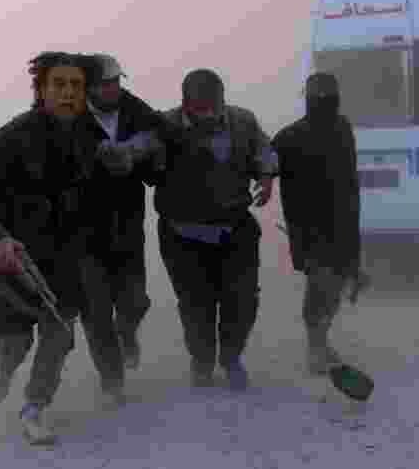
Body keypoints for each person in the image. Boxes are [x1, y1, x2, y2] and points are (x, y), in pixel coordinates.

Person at [0, 51, 104, 446]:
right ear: (41, 89)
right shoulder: (13, 136)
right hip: (15, 262)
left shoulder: (92, 135)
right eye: (59, 84)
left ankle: (35, 407)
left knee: (60, 338)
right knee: (14, 346)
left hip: (69, 260)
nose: (68, 93)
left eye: (76, 86)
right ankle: (2, 372)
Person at [146, 69, 278, 391]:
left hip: (235, 229)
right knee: (196, 305)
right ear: (184, 103)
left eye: (212, 106)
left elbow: (266, 151)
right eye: (198, 108)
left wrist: (266, 174)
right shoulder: (164, 126)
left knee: (242, 300)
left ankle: (231, 357)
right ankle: (202, 361)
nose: (206, 113)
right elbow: (136, 149)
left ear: (222, 100)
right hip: (182, 236)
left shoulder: (243, 122)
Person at [77, 53, 162, 408]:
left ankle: (127, 334)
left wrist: (133, 150)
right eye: (105, 84)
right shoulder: (71, 116)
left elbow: (161, 130)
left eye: (116, 82)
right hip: (82, 232)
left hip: (127, 226)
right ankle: (112, 380)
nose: (113, 89)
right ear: (89, 88)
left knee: (135, 301)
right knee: (96, 312)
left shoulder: (132, 108)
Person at [271, 72, 364, 375]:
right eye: (320, 98)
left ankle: (320, 342)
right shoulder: (288, 138)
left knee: (334, 285)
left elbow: (349, 177)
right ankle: (316, 347)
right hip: (309, 228)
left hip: (343, 222)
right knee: (321, 285)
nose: (325, 104)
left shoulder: (342, 128)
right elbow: (262, 164)